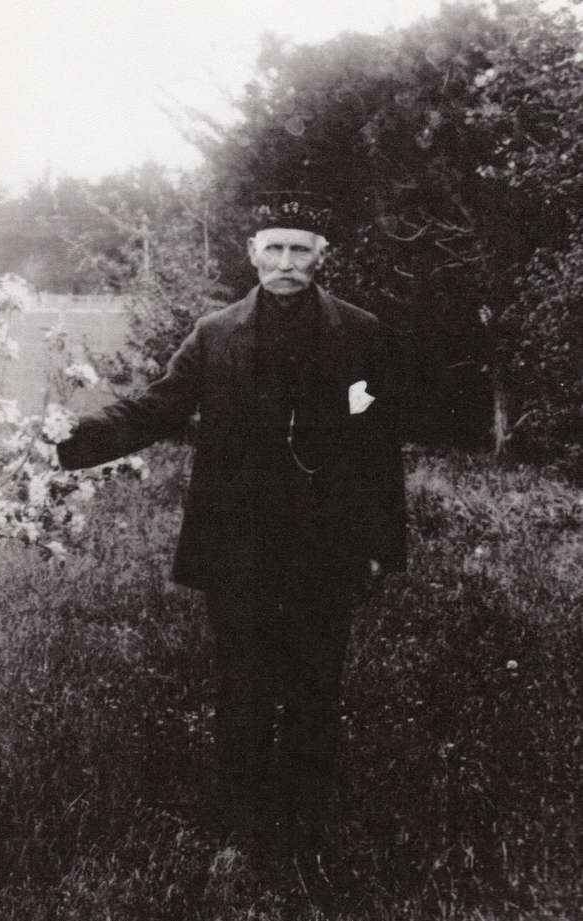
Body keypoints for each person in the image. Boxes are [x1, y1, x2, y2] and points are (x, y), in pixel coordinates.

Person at [55, 192, 406, 883]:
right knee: (243, 687)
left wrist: (375, 545)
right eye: (272, 249)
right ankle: (242, 832)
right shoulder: (215, 334)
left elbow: (377, 446)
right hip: (238, 544)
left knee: (313, 686)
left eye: (299, 249)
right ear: (251, 255)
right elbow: (158, 405)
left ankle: (305, 831)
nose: (285, 263)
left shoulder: (360, 331)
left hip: (324, 547)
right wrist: (66, 444)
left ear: (320, 256)